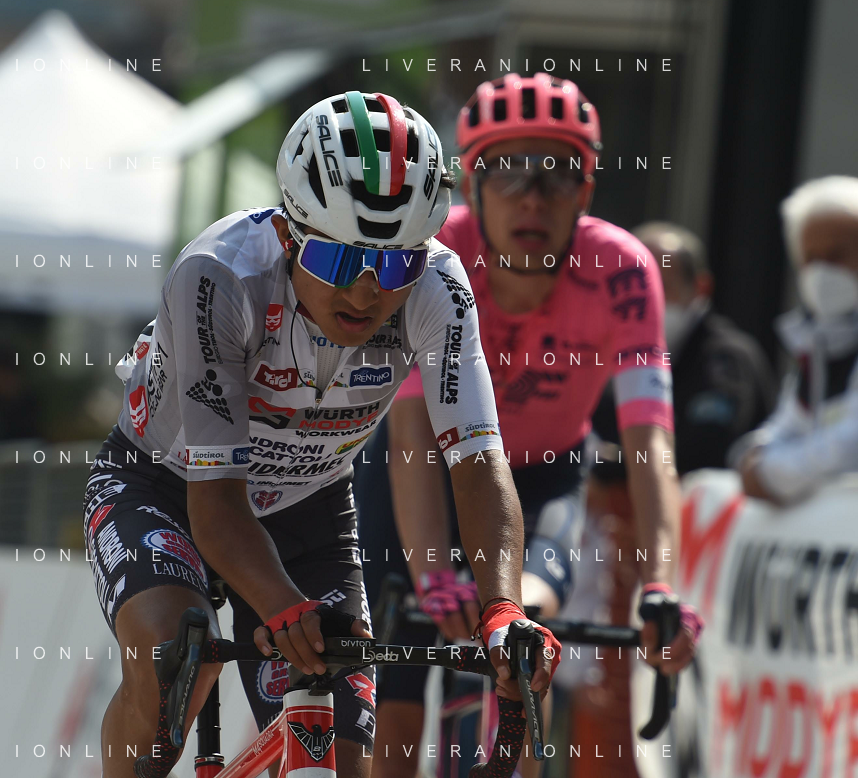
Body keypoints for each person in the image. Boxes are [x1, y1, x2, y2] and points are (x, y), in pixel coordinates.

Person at [84, 91, 559, 778]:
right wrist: (282, 608)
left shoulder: (440, 287)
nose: (366, 293)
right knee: (172, 662)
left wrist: (503, 610)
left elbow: (478, 465)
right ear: (288, 234)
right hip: (166, 488)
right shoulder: (219, 276)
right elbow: (216, 504)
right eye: (339, 261)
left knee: (342, 757)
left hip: (308, 507)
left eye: (394, 265)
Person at [357, 73, 704, 778]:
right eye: (507, 171)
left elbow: (651, 446)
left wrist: (661, 585)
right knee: (394, 699)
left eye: (557, 173)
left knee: (523, 629)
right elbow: (412, 432)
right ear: (470, 184)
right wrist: (431, 573)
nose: (532, 197)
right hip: (423, 471)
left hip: (543, 475)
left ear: (585, 190)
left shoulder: (623, 271)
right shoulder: (434, 256)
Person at [591, 221, 776, 477]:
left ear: (701, 287)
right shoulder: (604, 355)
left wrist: (613, 465)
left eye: (658, 288)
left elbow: (707, 450)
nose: (644, 304)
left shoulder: (728, 359)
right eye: (632, 291)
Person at [737, 175, 858, 504]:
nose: (821, 272)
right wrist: (753, 456)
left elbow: (849, 447)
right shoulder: (816, 344)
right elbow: (786, 427)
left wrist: (766, 473)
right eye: (810, 259)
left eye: (835, 256)